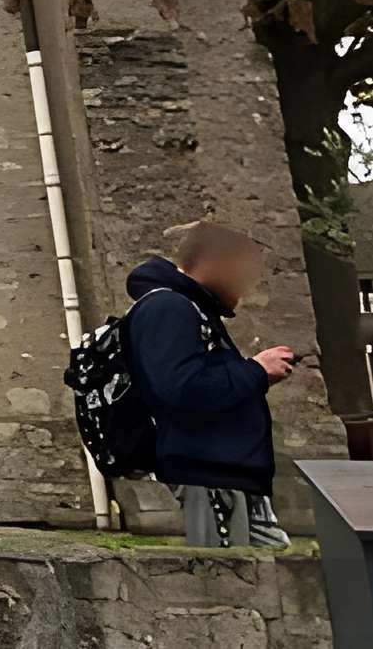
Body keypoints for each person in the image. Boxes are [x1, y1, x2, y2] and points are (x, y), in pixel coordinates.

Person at [125, 220, 299, 548]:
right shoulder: (169, 307)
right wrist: (256, 371)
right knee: (229, 581)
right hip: (207, 477)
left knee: (264, 575)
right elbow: (182, 389)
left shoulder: (191, 308)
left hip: (226, 478)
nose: (245, 284)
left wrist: (255, 374)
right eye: (241, 272)